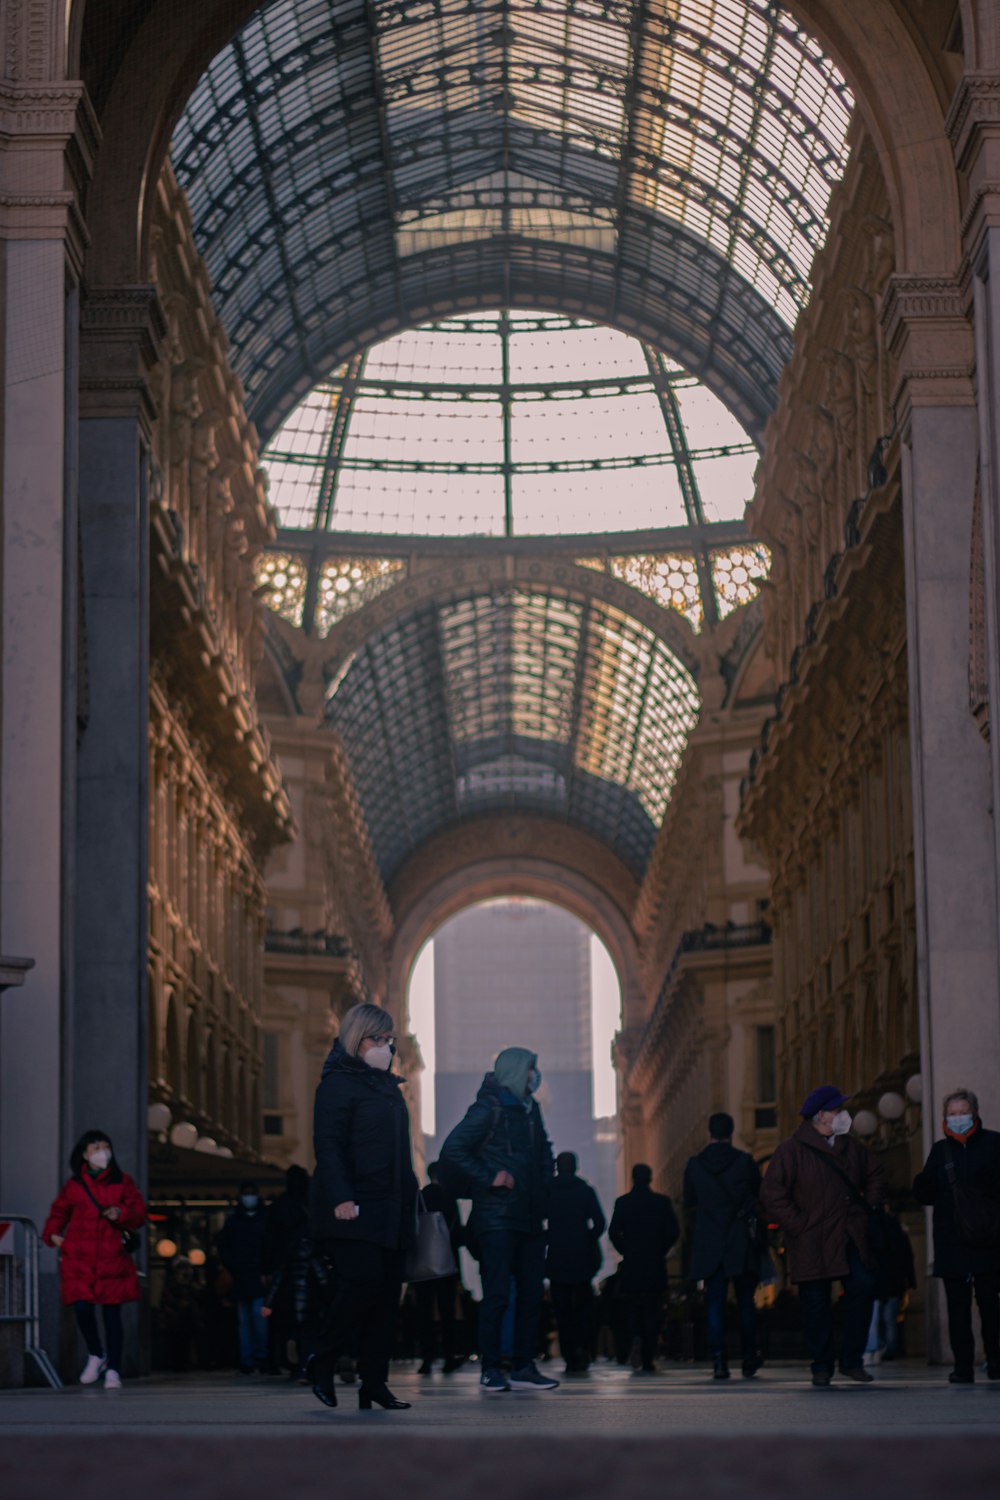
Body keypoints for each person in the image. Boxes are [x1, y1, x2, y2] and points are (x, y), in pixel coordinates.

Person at [309, 1001, 418, 1411]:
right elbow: (328, 1145)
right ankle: (322, 1356)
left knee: (388, 1299)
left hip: (392, 1207)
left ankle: (374, 1382)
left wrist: (411, 1198)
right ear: (357, 1038)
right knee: (360, 1286)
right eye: (377, 1038)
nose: (385, 1046)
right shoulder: (336, 1084)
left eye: (389, 1039)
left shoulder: (388, 1087)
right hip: (353, 1208)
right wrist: (341, 1196)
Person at [440, 1045, 557, 1393]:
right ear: (518, 1072)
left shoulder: (530, 1108)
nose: (535, 1077)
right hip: (497, 1218)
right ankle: (492, 1367)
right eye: (531, 1070)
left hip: (532, 1218)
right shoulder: (489, 1107)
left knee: (532, 1295)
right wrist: (489, 1176)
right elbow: (453, 1149)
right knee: (498, 1294)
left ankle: (524, 1365)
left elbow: (542, 1154)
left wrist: (545, 1189)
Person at [761, 1084, 886, 1386]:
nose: (843, 1115)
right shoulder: (791, 1151)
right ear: (820, 1116)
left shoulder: (851, 1147)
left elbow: (875, 1174)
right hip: (811, 1239)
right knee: (815, 1302)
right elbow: (772, 1194)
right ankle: (822, 1364)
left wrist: (867, 1207)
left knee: (863, 1286)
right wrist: (800, 1224)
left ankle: (852, 1360)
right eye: (837, 1110)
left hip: (849, 1234)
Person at [42, 1129, 147, 1389]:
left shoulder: (123, 1182)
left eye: (105, 1146)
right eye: (95, 1148)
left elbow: (138, 1212)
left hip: (112, 1257)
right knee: (82, 1308)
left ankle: (114, 1370)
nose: (102, 1152)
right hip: (80, 1259)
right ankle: (96, 1353)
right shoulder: (75, 1186)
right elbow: (59, 1212)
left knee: (112, 1315)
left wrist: (120, 1212)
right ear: (84, 1155)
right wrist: (53, 1235)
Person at [913, 1087, 1000, 1383]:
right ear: (944, 1118)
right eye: (952, 1114)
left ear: (974, 1114)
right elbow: (924, 1193)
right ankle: (962, 1365)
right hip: (952, 1241)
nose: (958, 1118)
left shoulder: (993, 1144)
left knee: (990, 1304)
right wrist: (922, 1183)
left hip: (988, 1240)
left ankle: (996, 1359)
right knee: (957, 1308)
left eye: (963, 1113)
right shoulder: (940, 1151)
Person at [683, 1112, 763, 1380]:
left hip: (709, 1240)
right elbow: (758, 1195)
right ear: (731, 1132)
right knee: (745, 1303)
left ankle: (719, 1361)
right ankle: (749, 1357)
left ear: (710, 1133)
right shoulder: (744, 1162)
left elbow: (689, 1202)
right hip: (738, 1239)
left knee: (714, 1303)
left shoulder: (695, 1165)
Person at [608, 1163, 680, 1372]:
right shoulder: (661, 1203)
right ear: (649, 1179)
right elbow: (674, 1231)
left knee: (633, 1310)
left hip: (632, 1265)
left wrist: (625, 1250)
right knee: (653, 1311)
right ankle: (648, 1356)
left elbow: (613, 1232)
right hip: (655, 1265)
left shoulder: (623, 1203)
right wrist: (661, 1249)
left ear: (633, 1178)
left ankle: (636, 1338)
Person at [262, 1166, 328, 1380]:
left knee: (286, 1323)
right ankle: (307, 1363)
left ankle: (288, 1362)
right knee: (310, 1323)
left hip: (286, 1269)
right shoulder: (312, 1205)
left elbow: (270, 1239)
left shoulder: (281, 1206)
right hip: (310, 1271)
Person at [546, 1150, 606, 1374]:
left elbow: (539, 1220)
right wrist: (585, 1239)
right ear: (575, 1166)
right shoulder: (585, 1191)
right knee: (582, 1310)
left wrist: (551, 1238)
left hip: (557, 1258)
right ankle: (582, 1351)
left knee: (562, 1312)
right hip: (582, 1260)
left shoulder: (549, 1191)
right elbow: (599, 1223)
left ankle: (569, 1354)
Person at [415, 1161, 464, 1375]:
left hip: (423, 1263)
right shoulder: (449, 1198)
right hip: (446, 1262)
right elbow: (457, 1234)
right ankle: (449, 1355)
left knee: (423, 1311)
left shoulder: (420, 1197)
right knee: (447, 1311)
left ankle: (427, 1357)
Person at [217, 1180, 270, 1374]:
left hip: (252, 1277)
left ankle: (255, 1357)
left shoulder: (237, 1221)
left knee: (253, 1320)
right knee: (249, 1321)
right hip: (245, 1277)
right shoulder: (238, 1221)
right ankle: (252, 1358)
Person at [863, 1206, 916, 1364]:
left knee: (874, 1316)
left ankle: (874, 1347)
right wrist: (910, 1280)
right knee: (889, 1319)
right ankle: (889, 1349)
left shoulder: (871, 1228)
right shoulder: (898, 1231)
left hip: (878, 1280)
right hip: (894, 1282)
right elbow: (907, 1257)